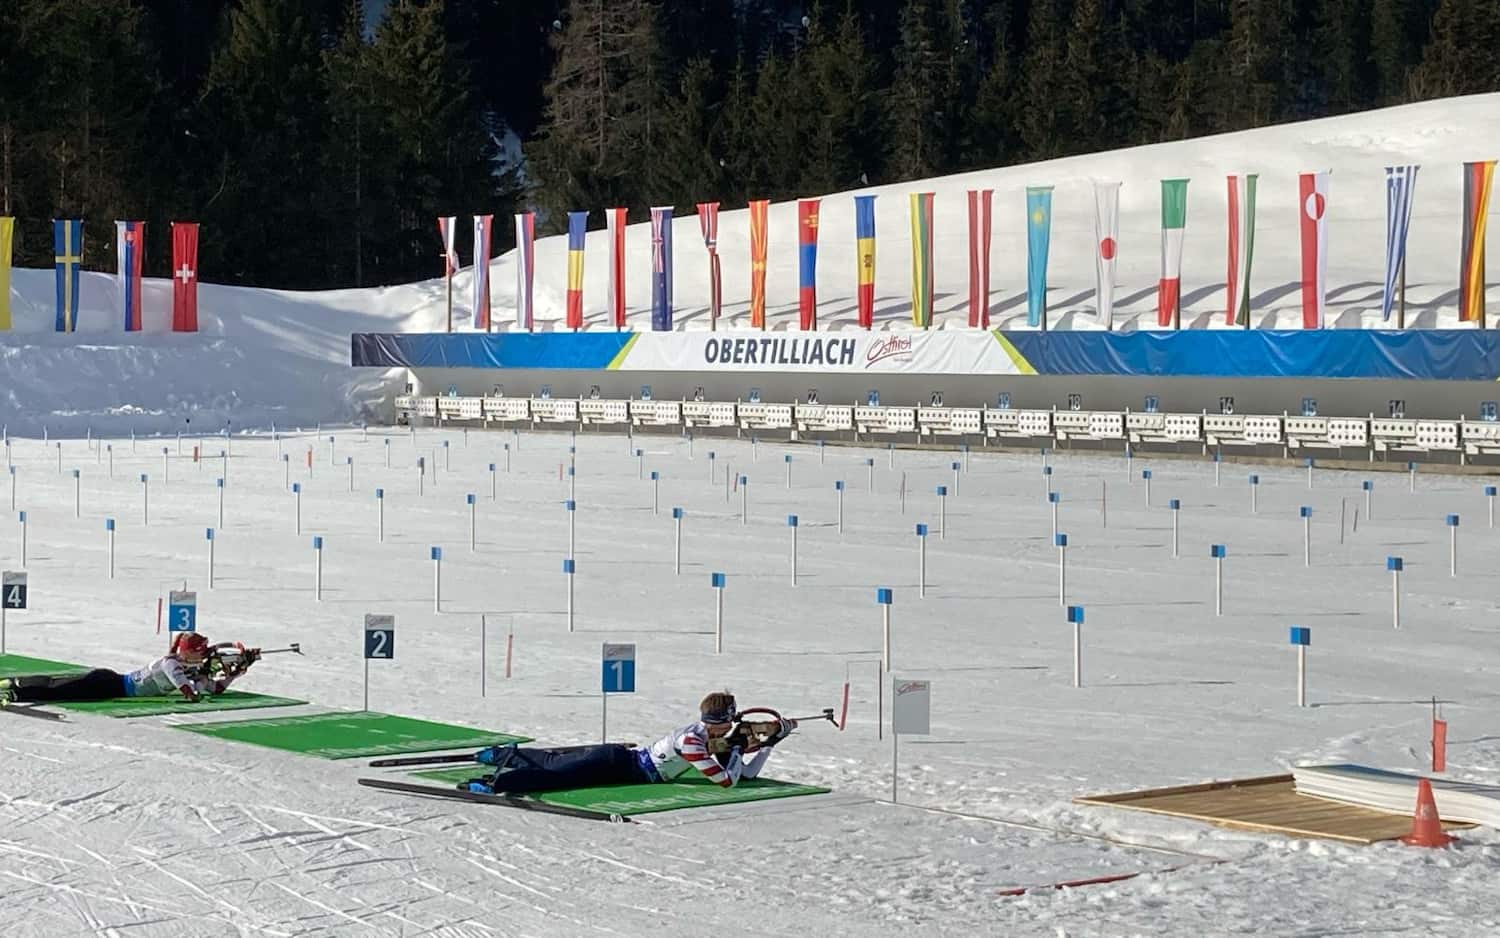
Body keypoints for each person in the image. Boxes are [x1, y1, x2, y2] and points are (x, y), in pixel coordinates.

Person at [464, 691, 793, 795]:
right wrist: (737, 748)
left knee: (555, 764)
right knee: (557, 774)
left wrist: (769, 744)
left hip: (625, 765)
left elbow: (745, 773)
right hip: (618, 763)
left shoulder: (708, 738)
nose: (733, 729)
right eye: (730, 723)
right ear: (720, 722)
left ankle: (502, 755)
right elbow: (728, 780)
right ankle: (495, 782)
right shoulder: (693, 742)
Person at [0, 633, 259, 706]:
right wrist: (203, 674)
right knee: (60, 690)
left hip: (110, 682)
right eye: (199, 650)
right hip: (109, 685)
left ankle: (13, 685)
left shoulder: (184, 666)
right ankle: (14, 692)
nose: (202, 654)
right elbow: (190, 693)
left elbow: (214, 689)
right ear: (188, 651)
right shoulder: (170, 664)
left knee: (59, 684)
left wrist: (234, 673)